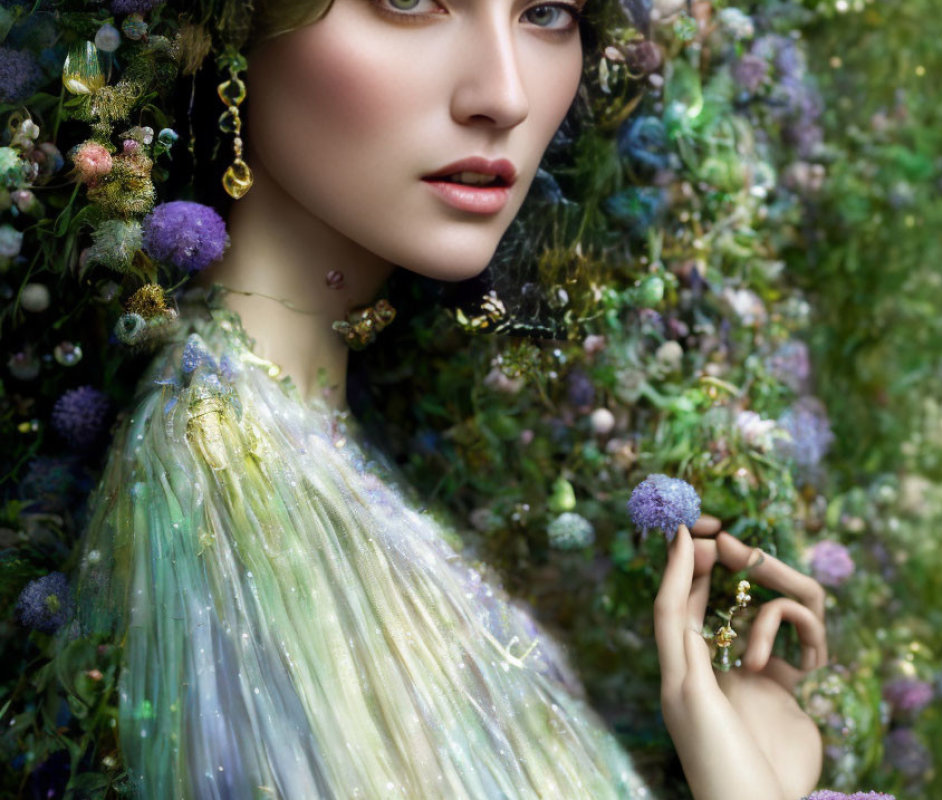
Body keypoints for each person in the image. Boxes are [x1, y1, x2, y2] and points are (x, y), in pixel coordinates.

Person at [5, 0, 876, 797]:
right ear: (231, 34)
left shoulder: (296, 438)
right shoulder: (220, 470)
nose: (504, 94)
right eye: (409, 0)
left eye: (546, 12)